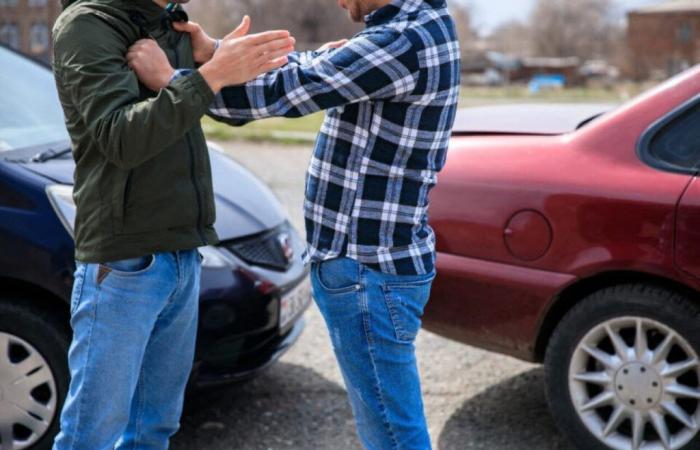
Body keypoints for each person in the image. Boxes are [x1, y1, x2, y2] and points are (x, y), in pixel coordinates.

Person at [128, 0, 460, 448]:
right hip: (374, 268)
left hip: (367, 273)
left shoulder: (401, 40)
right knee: (388, 425)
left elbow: (287, 90)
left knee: (392, 434)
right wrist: (216, 53)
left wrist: (174, 82)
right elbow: (318, 63)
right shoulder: (413, 24)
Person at [50, 0, 294, 448]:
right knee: (91, 436)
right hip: (123, 260)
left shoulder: (170, 23)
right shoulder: (87, 25)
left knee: (154, 429)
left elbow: (190, 100)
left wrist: (212, 59)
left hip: (183, 249)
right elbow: (120, 137)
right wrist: (210, 75)